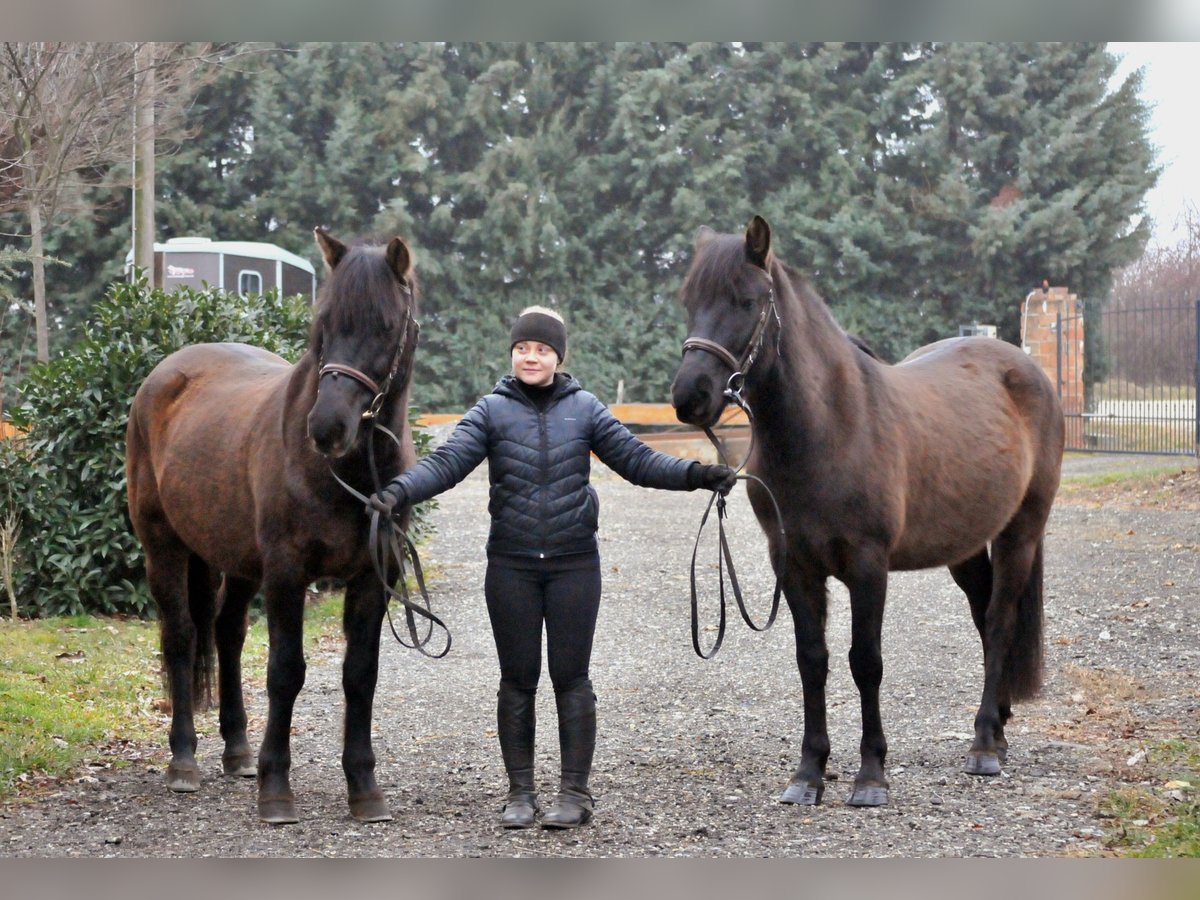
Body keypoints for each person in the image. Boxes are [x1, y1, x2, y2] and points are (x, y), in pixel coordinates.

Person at [368, 306, 736, 830]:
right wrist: (398, 491)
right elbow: (446, 463)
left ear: (558, 356)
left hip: (573, 566)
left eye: (541, 349)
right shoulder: (491, 411)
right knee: (516, 681)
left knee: (572, 679)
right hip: (511, 566)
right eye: (523, 348)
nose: (531, 356)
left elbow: (638, 461)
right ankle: (519, 792)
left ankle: (574, 794)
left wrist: (699, 474)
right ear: (512, 353)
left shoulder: (585, 409)